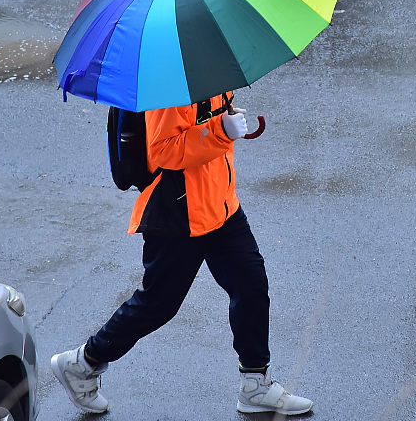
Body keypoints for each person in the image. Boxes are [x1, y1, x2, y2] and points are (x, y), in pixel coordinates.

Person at [50, 92, 313, 416]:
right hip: (179, 214)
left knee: (251, 285)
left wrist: (224, 119)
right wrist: (221, 131)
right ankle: (81, 364)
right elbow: (163, 150)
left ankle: (255, 383)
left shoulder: (208, 69)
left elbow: (203, 125)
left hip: (221, 205)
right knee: (157, 305)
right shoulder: (169, 86)